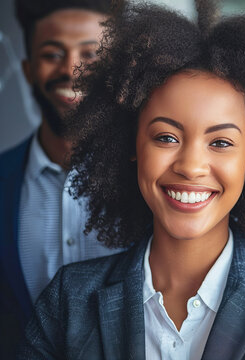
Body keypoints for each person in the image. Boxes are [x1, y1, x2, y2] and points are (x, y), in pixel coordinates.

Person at [18, 3, 245, 359]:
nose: (191, 166)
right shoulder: (69, 300)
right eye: (166, 137)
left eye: (221, 142)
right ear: (131, 143)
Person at [1, 0, 119, 357]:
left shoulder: (154, 178)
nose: (72, 69)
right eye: (53, 54)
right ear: (28, 70)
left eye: (91, 54)